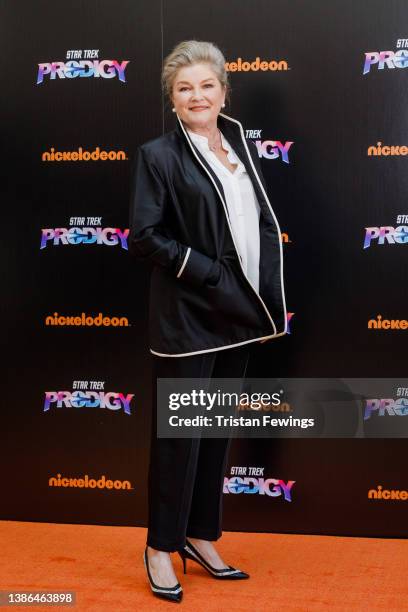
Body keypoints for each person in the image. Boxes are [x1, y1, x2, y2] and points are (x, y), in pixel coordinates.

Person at [129, 39, 287, 603]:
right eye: (184, 88)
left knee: (215, 436)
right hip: (189, 315)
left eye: (206, 85)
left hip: (241, 313)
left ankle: (199, 536)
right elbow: (146, 236)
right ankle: (158, 547)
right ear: (172, 100)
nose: (197, 95)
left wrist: (250, 289)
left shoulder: (241, 143)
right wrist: (208, 275)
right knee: (179, 439)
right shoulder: (159, 155)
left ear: (224, 90)